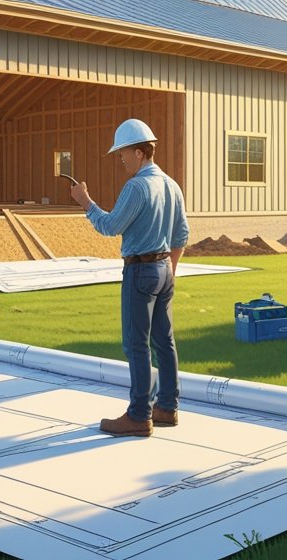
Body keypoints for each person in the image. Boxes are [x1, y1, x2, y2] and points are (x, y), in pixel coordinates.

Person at [69, 118, 189, 437]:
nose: (120, 159)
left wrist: (86, 202)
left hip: (140, 270)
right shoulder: (170, 185)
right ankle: (167, 406)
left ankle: (138, 415)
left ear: (139, 152)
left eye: (122, 153)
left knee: (136, 344)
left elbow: (111, 226)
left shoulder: (137, 186)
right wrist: (169, 272)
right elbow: (181, 235)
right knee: (164, 341)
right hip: (164, 268)